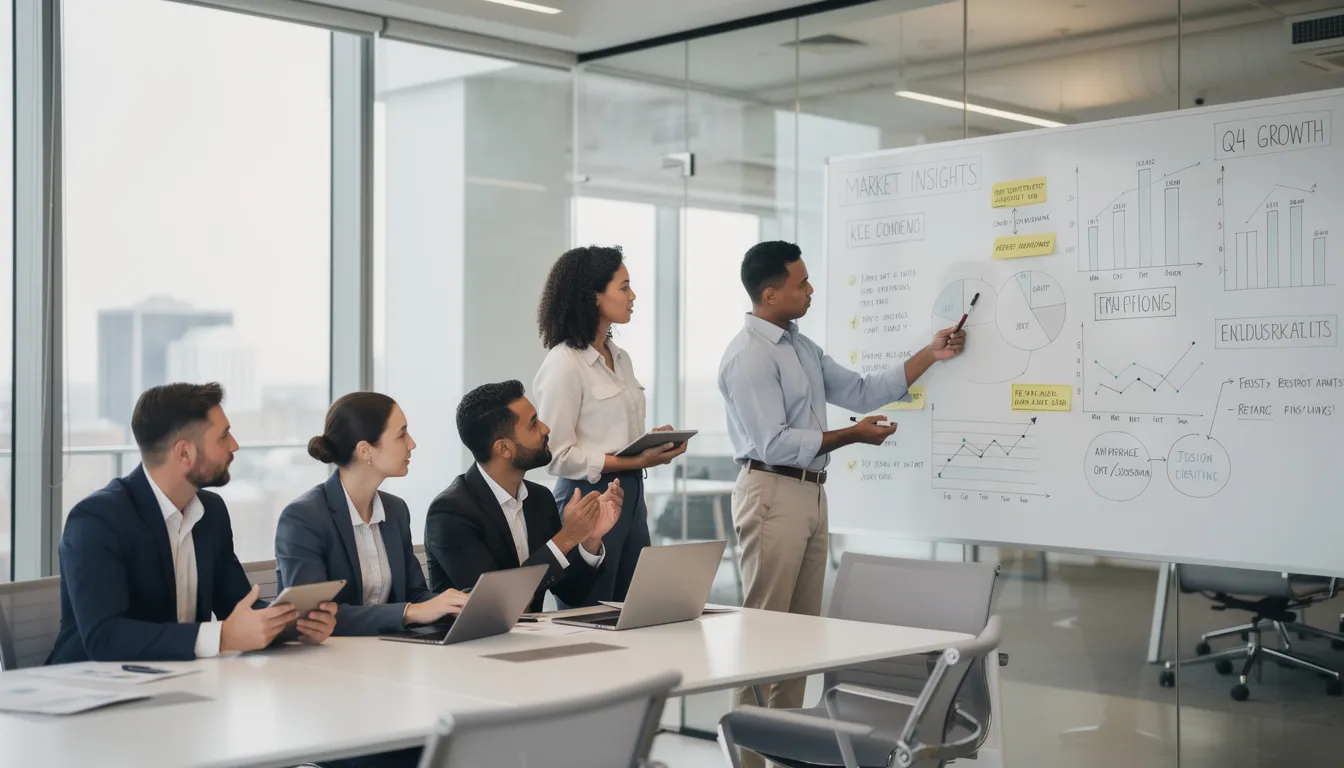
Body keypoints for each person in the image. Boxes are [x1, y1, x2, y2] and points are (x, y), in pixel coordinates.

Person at [718, 241, 965, 761]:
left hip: (808, 494)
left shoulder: (799, 346)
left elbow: (858, 389)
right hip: (771, 492)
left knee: (799, 638)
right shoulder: (748, 357)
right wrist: (852, 437)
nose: (810, 291)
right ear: (770, 293)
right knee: (763, 638)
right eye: (801, 284)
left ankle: (785, 752)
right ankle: (748, 760)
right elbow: (775, 443)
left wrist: (931, 352)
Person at [48, 383, 338, 664]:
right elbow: (105, 638)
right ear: (184, 452)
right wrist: (222, 637)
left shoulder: (211, 512)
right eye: (224, 436)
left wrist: (297, 625)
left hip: (177, 683)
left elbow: (236, 607)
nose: (234, 445)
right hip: (88, 690)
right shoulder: (97, 520)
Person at [532, 245, 685, 606]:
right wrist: (635, 462)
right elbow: (557, 455)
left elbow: (619, 436)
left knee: (633, 608)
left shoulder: (620, 357)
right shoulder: (564, 363)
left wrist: (649, 444)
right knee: (589, 612)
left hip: (631, 496)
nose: (633, 296)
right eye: (624, 287)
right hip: (588, 498)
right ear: (593, 295)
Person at [275, 392, 470, 636]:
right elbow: (312, 616)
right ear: (365, 450)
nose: (412, 443)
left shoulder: (395, 510)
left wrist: (452, 604)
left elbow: (414, 594)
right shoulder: (303, 517)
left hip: (389, 653)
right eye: (401, 434)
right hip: (329, 661)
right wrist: (410, 612)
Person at [424, 380, 622, 613]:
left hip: (532, 640)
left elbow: (572, 592)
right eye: (533, 424)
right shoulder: (450, 512)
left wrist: (590, 538)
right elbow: (495, 602)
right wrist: (566, 538)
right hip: (468, 645)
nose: (546, 429)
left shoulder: (539, 499)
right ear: (504, 449)